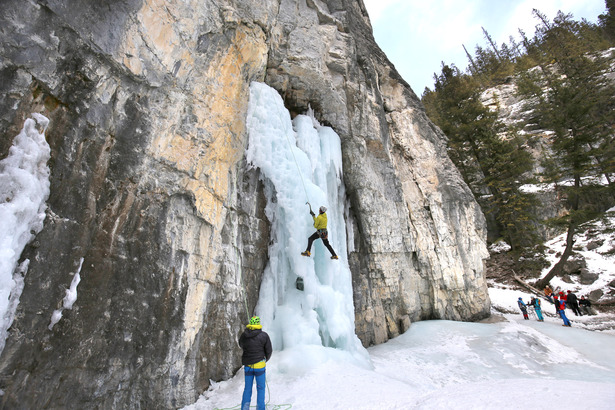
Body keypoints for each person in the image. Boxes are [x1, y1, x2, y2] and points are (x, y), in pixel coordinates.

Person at [239, 316, 273, 410]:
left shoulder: (244, 335)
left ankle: (245, 408)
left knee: (247, 389)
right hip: (260, 366)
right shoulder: (264, 335)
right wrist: (265, 359)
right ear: (258, 324)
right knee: (260, 388)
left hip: (248, 366)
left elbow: (241, 345)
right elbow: (269, 350)